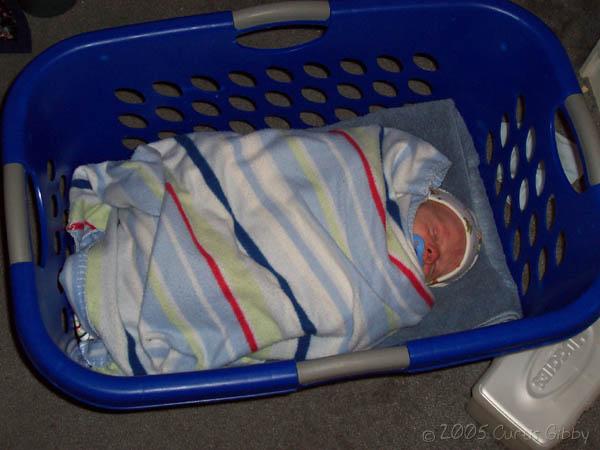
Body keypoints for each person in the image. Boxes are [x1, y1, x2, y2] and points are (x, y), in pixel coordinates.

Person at [60, 125, 482, 375]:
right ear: (417, 194)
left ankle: (133, 306)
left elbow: (345, 318)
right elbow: (296, 171)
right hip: (235, 212)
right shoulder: (361, 176)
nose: (434, 255)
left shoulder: (395, 296)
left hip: (278, 287)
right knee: (203, 192)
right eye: (438, 233)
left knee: (216, 300)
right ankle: (125, 270)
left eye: (440, 267)